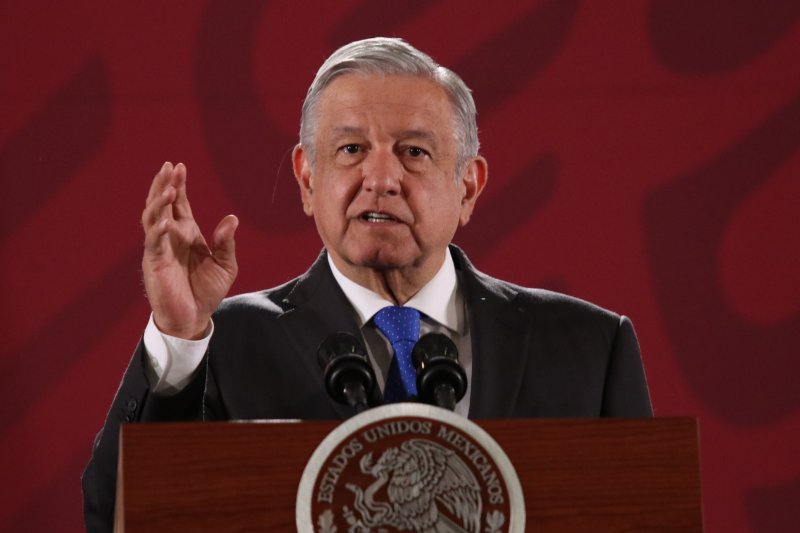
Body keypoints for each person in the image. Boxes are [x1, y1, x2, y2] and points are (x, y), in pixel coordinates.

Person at [82, 37, 651, 531]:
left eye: (414, 152)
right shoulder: (224, 344)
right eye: (351, 150)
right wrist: (178, 337)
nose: (381, 179)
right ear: (308, 179)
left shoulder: (590, 347)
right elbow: (114, 517)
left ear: (468, 187)